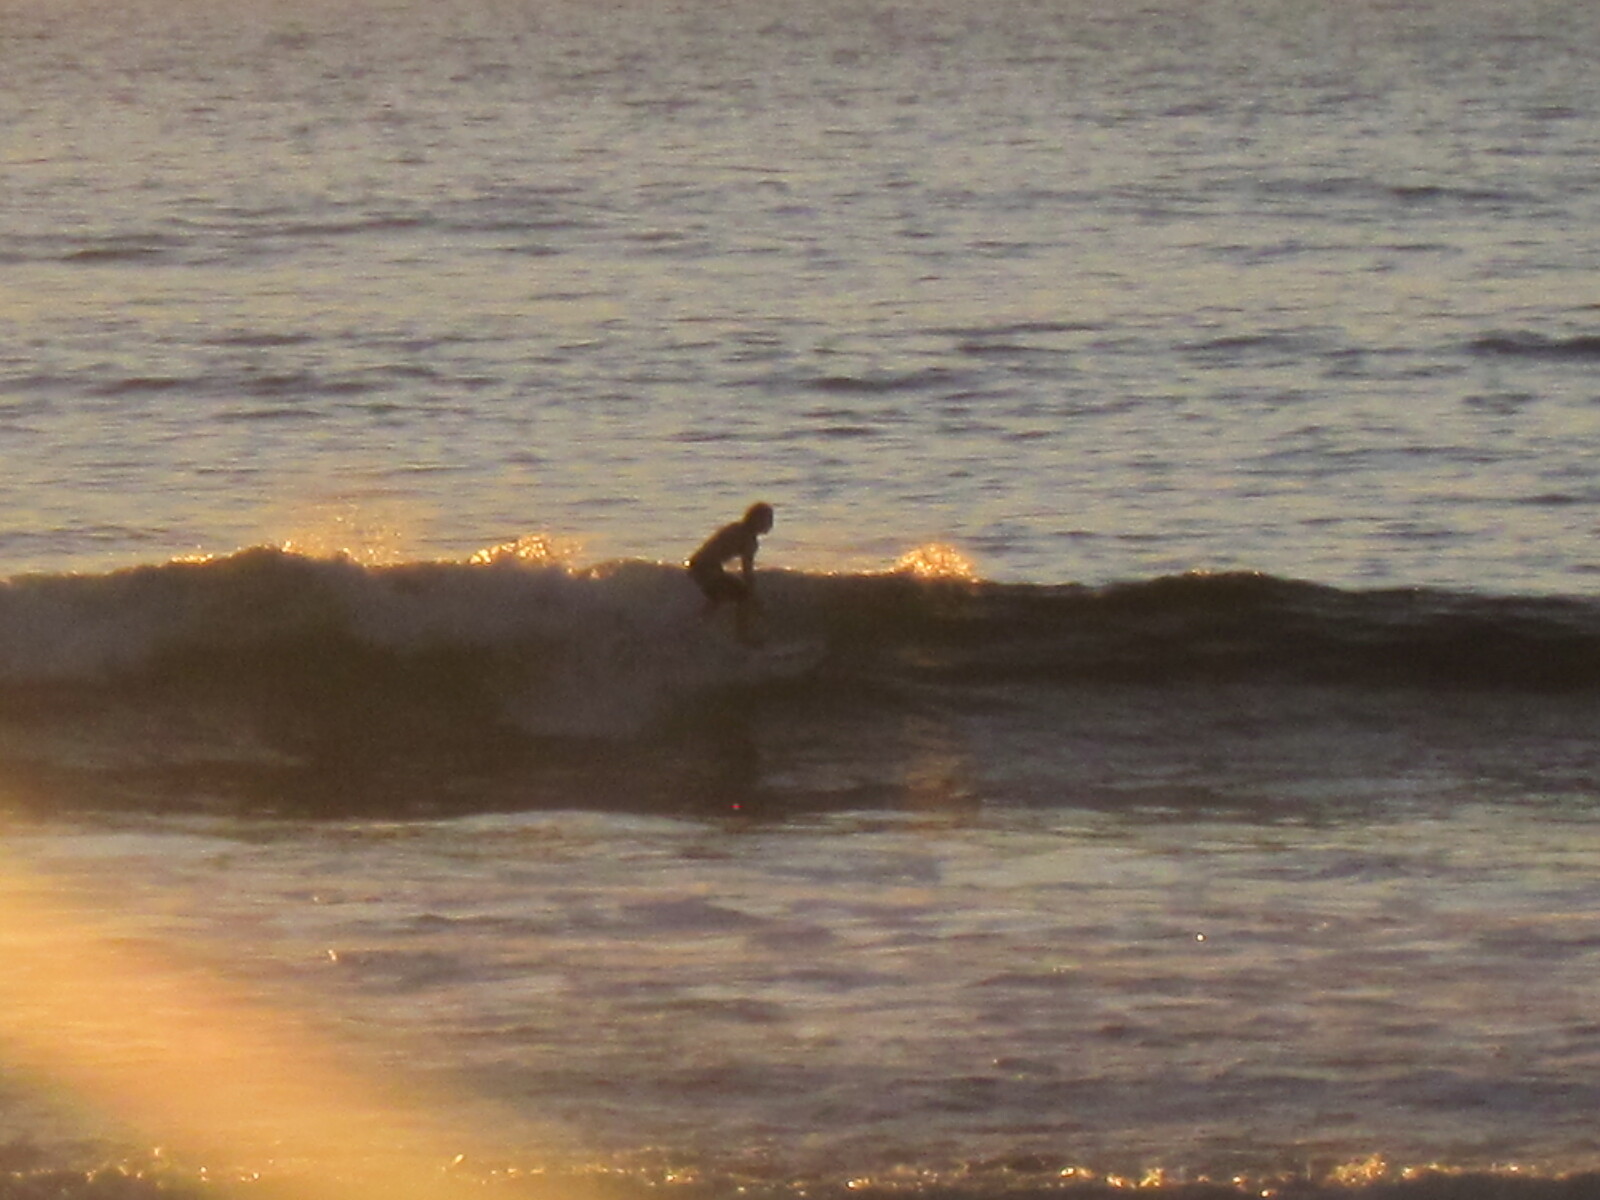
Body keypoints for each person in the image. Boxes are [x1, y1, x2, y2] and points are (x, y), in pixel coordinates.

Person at [687, 502, 774, 645]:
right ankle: (742, 638)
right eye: (768, 519)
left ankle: (695, 629)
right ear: (756, 519)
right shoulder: (748, 539)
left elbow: (714, 550)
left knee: (719, 597)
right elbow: (747, 571)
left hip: (698, 565)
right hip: (706, 568)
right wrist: (754, 596)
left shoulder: (735, 528)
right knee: (743, 596)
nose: (770, 524)